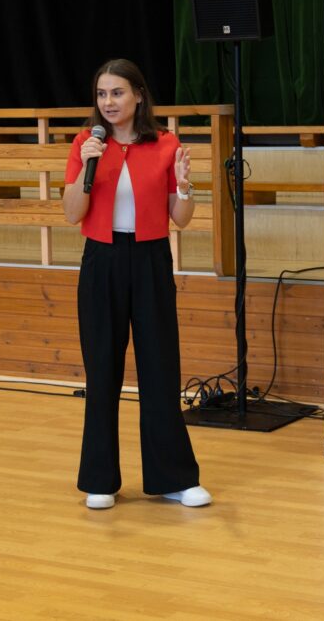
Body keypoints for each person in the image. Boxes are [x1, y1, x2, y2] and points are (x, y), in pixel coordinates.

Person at [63, 59, 210, 510]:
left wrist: (184, 187)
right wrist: (86, 167)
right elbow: (71, 213)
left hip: (150, 260)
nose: (108, 102)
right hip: (101, 260)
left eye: (117, 92)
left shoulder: (165, 144)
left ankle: (173, 478)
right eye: (102, 94)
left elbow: (181, 219)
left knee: (160, 368)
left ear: (139, 95)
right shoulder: (85, 144)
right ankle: (100, 480)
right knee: (101, 370)